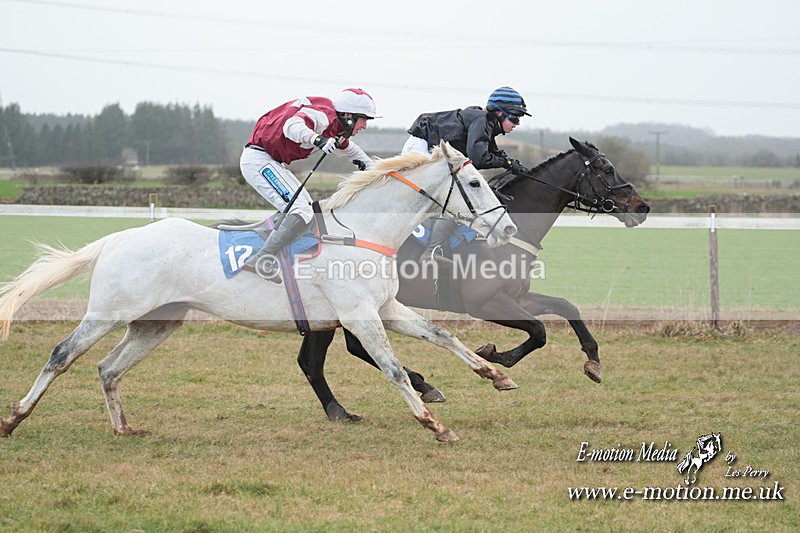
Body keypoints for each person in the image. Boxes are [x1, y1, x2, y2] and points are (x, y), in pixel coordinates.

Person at [240, 88, 379, 282]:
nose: (364, 125)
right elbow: (292, 126)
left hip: (270, 162)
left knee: (309, 211)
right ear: (348, 115)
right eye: (363, 119)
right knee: (301, 212)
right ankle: (261, 259)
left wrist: (377, 172)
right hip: (259, 160)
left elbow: (353, 152)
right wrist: (318, 140)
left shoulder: (336, 128)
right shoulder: (323, 115)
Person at [402, 86, 531, 266]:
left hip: (428, 145)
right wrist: (505, 163)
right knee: (456, 197)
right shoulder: (483, 121)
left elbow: (491, 151)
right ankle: (432, 250)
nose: (517, 123)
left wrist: (510, 163)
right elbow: (479, 157)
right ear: (500, 113)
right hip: (421, 147)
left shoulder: (486, 122)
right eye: (515, 118)